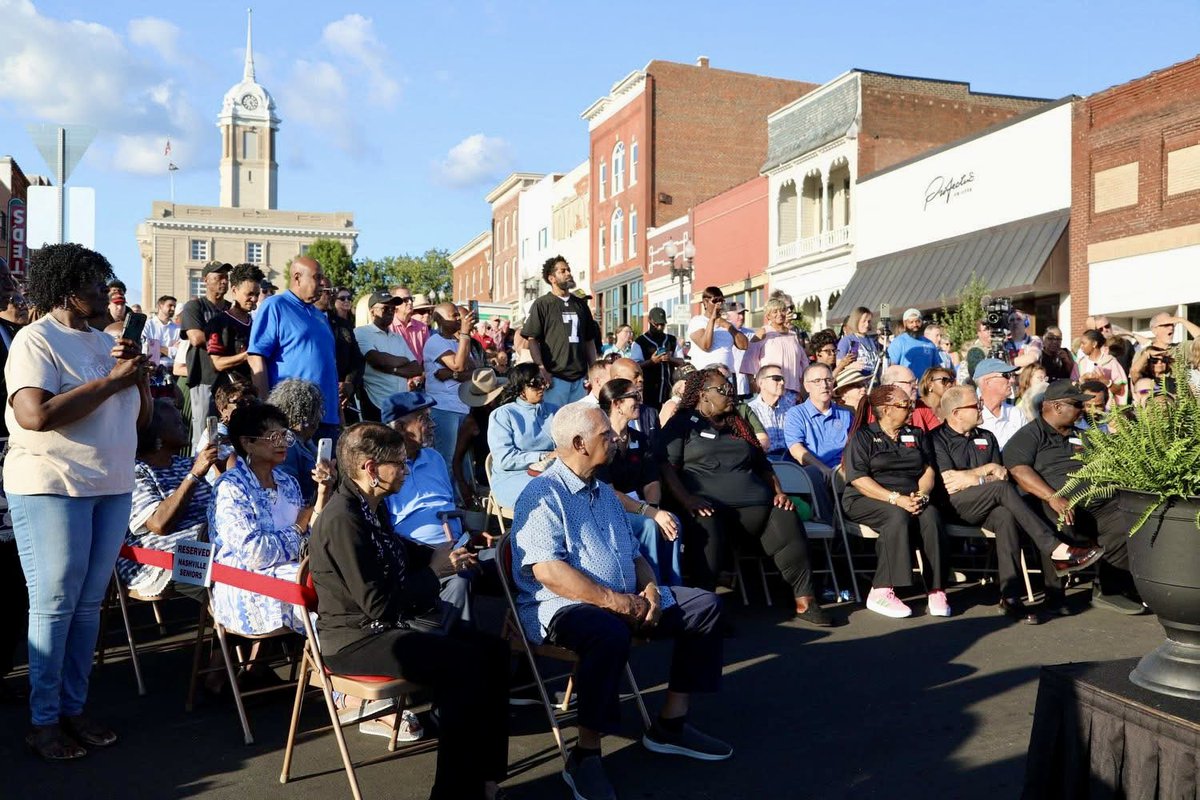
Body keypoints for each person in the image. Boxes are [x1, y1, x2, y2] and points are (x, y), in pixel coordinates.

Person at [512, 403, 731, 800]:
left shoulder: (603, 491)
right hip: (561, 607)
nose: (615, 439)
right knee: (607, 633)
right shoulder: (542, 494)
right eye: (605, 436)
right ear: (579, 444)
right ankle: (586, 754)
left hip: (625, 598)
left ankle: (670, 725)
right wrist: (616, 602)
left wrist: (649, 591)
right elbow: (548, 572)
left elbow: (634, 556)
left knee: (705, 606)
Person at [309, 422, 509, 800]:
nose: (404, 470)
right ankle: (453, 793)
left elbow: (394, 545)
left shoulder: (369, 505)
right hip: (356, 639)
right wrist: (435, 572)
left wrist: (433, 554)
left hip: (387, 627)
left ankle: (486, 778)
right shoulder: (342, 519)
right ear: (370, 468)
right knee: (461, 664)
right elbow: (379, 605)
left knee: (494, 652)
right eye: (398, 464)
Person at [5, 243, 152, 759]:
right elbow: (34, 416)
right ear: (68, 288)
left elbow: (137, 419)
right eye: (95, 284)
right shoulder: (34, 340)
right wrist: (111, 383)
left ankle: (73, 707)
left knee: (88, 606)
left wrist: (139, 377)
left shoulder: (105, 342)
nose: (107, 293)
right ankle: (44, 720)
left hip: (110, 486)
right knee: (54, 605)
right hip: (52, 484)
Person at [658, 369, 830, 626]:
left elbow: (763, 465)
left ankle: (805, 601)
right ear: (703, 395)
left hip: (758, 507)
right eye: (724, 390)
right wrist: (688, 500)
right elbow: (666, 468)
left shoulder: (737, 423)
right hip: (709, 508)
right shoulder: (682, 422)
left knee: (786, 515)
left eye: (732, 389)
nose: (731, 395)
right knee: (706, 524)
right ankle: (706, 607)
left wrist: (779, 493)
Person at [931, 385, 1102, 623]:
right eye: (975, 405)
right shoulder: (936, 439)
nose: (982, 407)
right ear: (957, 412)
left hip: (987, 505)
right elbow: (950, 484)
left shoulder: (986, 436)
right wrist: (985, 473)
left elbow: (1000, 473)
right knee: (1002, 491)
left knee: (1006, 515)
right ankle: (1055, 549)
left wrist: (975, 477)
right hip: (952, 507)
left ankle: (1010, 597)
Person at [1003, 381, 1143, 615]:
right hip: (1056, 503)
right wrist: (1052, 496)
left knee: (1127, 517)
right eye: (1077, 404)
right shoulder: (1030, 434)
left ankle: (1108, 589)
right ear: (1056, 407)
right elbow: (1018, 469)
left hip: (1098, 503)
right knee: (1053, 513)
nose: (1082, 409)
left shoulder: (1082, 435)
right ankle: (1054, 595)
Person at [208, 403, 332, 637]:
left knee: (334, 580)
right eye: (273, 436)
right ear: (247, 443)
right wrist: (298, 526)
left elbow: (309, 541)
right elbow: (255, 554)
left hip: (292, 571)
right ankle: (337, 660)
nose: (282, 443)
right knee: (326, 593)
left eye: (285, 435)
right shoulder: (231, 486)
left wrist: (324, 492)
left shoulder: (287, 482)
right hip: (244, 580)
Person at [841, 385, 949, 620]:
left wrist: (923, 494)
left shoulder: (917, 434)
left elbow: (928, 469)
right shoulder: (863, 436)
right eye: (905, 405)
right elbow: (858, 479)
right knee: (895, 516)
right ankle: (881, 589)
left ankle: (936, 589)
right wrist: (895, 499)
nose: (912, 407)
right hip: (867, 498)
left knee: (931, 516)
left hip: (910, 496)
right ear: (886, 410)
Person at [381, 392, 484, 632]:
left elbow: (445, 505)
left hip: (458, 544)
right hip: (419, 554)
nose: (432, 424)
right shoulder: (385, 469)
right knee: (460, 580)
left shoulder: (434, 458)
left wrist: (472, 532)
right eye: (423, 419)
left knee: (509, 561)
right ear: (400, 428)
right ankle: (450, 651)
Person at [116, 399, 218, 598]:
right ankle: (228, 616)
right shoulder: (135, 471)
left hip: (208, 542)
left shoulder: (186, 463)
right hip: (159, 558)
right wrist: (194, 476)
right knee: (223, 567)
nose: (185, 427)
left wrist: (222, 466)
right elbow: (159, 524)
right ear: (156, 435)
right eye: (177, 423)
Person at [246, 256, 340, 443]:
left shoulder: (319, 316)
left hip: (327, 418)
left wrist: (338, 412)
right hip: (292, 418)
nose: (322, 283)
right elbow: (256, 357)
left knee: (325, 471)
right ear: (297, 277)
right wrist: (266, 409)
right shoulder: (275, 306)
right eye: (317, 277)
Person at [599, 378, 683, 585]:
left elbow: (652, 480)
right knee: (649, 525)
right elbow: (609, 493)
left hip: (641, 507)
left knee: (672, 522)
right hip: (610, 510)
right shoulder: (600, 440)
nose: (640, 400)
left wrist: (654, 508)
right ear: (616, 404)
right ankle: (653, 590)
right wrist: (650, 513)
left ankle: (674, 586)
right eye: (634, 396)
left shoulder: (640, 438)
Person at [522, 256, 600, 407]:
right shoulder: (543, 304)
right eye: (562, 271)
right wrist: (541, 368)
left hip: (580, 376)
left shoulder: (580, 305)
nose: (568, 273)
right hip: (555, 376)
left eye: (568, 270)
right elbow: (532, 340)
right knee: (555, 424)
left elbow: (589, 341)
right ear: (552, 278)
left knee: (579, 424)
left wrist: (594, 370)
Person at [0, 286, 28, 703]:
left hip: (12, 458)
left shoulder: (12, 333)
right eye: (5, 278)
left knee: (12, 567)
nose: (13, 287)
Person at [784, 363, 853, 519]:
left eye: (828, 380)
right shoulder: (796, 414)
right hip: (814, 471)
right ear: (807, 386)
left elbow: (855, 446)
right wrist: (823, 468)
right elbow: (796, 450)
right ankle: (828, 524)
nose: (824, 385)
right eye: (817, 381)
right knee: (814, 473)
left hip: (843, 471)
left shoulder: (846, 414)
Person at [487, 363, 558, 508]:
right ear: (521, 389)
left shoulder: (554, 411)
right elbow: (504, 459)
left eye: (543, 381)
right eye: (536, 383)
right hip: (513, 477)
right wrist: (543, 456)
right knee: (547, 495)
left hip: (551, 472)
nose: (543, 387)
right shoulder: (503, 414)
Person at [180, 261, 230, 448]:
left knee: (227, 434)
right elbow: (196, 337)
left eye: (225, 277)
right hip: (204, 377)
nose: (223, 281)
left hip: (228, 380)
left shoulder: (231, 309)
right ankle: (198, 473)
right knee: (204, 433)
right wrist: (229, 345)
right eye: (218, 277)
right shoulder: (195, 307)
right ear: (205, 281)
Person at [424, 303, 476, 475]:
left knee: (462, 459)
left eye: (458, 316)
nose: (459, 319)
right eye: (454, 316)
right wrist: (465, 334)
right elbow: (459, 365)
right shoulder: (434, 342)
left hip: (462, 405)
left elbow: (474, 371)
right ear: (438, 320)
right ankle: (447, 498)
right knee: (446, 458)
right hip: (443, 407)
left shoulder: (458, 341)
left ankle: (464, 497)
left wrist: (453, 374)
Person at [354, 291, 423, 416]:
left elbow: (416, 368)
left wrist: (393, 369)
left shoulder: (398, 338)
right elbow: (377, 360)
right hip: (376, 402)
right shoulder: (361, 332)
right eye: (386, 308)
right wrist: (403, 360)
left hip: (400, 403)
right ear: (372, 311)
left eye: (393, 308)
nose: (391, 311)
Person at [455, 368, 508, 508]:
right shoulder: (471, 423)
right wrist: (462, 484)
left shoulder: (504, 414)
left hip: (505, 466)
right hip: (488, 473)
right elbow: (457, 459)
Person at [267, 379, 325, 504]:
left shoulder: (304, 444)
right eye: (318, 412)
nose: (320, 418)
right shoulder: (288, 446)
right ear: (306, 415)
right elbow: (288, 489)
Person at [740, 295, 809, 395]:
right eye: (775, 312)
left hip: (793, 390)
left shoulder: (793, 335)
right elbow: (748, 359)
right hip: (770, 389)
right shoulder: (763, 332)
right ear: (768, 316)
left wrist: (803, 386)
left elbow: (804, 362)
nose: (779, 314)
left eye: (782, 310)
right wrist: (754, 385)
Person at [206, 263, 263, 380]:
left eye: (257, 295)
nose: (254, 299)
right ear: (234, 291)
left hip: (253, 390)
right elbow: (217, 363)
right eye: (250, 294)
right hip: (229, 392)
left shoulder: (256, 323)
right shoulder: (219, 323)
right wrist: (248, 355)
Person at [739, 363, 797, 458]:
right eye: (776, 378)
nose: (782, 382)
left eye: (783, 379)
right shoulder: (750, 410)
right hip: (764, 460)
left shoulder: (791, 407)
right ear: (761, 383)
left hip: (791, 458)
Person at [687, 287, 748, 372]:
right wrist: (712, 319)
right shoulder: (697, 321)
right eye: (715, 301)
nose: (718, 304)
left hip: (727, 374)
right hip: (706, 374)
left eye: (721, 301)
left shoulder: (727, 324)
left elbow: (744, 345)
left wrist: (727, 325)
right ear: (705, 302)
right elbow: (706, 346)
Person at [636, 307, 684, 410]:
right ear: (649, 320)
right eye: (656, 324)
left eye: (662, 324)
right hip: (649, 391)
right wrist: (652, 361)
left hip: (669, 389)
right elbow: (635, 365)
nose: (659, 327)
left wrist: (670, 359)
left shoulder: (672, 340)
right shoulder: (640, 342)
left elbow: (682, 362)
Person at [327, 286, 364, 419]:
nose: (347, 300)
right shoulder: (327, 322)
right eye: (342, 298)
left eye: (349, 298)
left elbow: (357, 359)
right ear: (333, 301)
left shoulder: (349, 323)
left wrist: (349, 383)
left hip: (347, 388)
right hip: (331, 386)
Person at [974, 358, 1027, 449]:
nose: (1012, 380)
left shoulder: (1016, 414)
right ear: (988, 382)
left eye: (1012, 375)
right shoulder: (971, 415)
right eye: (1006, 375)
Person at [608, 356, 661, 445]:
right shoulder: (601, 415)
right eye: (636, 375)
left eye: (641, 375)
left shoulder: (651, 413)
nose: (641, 379)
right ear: (617, 379)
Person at [1076, 329, 1128, 406]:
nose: (1081, 346)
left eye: (1084, 343)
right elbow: (1074, 387)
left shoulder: (1110, 361)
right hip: (1085, 408)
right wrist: (1082, 379)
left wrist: (1105, 381)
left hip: (1106, 408)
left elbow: (1120, 390)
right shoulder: (1080, 363)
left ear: (1094, 344)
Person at [886, 308, 940, 380]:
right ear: (905, 324)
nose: (915, 325)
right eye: (911, 322)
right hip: (906, 386)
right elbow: (892, 368)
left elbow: (937, 368)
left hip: (926, 387)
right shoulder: (898, 342)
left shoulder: (930, 344)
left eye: (918, 321)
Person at [883, 365, 941, 431]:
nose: (916, 387)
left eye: (916, 382)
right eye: (910, 383)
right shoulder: (875, 409)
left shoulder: (921, 407)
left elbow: (939, 436)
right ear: (893, 385)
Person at [387, 285, 430, 367]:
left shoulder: (422, 327)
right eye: (405, 300)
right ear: (395, 304)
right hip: (397, 375)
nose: (410, 302)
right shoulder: (388, 327)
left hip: (420, 375)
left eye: (411, 299)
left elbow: (428, 356)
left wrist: (423, 374)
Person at [838, 306, 881, 378]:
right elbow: (838, 365)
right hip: (857, 381)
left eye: (869, 321)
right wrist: (850, 367)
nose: (867, 324)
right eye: (864, 321)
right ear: (856, 321)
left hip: (873, 381)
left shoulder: (871, 340)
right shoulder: (849, 340)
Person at [725, 301, 756, 396]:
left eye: (743, 314)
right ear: (728, 315)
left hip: (746, 385)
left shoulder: (750, 334)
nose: (742, 317)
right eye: (738, 314)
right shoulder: (722, 333)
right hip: (729, 382)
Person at [142, 295, 179, 369]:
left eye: (174, 306)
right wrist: (170, 350)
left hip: (173, 369)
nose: (173, 308)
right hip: (152, 369)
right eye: (170, 305)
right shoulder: (147, 325)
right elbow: (145, 350)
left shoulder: (178, 328)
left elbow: (180, 352)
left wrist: (156, 348)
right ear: (160, 306)